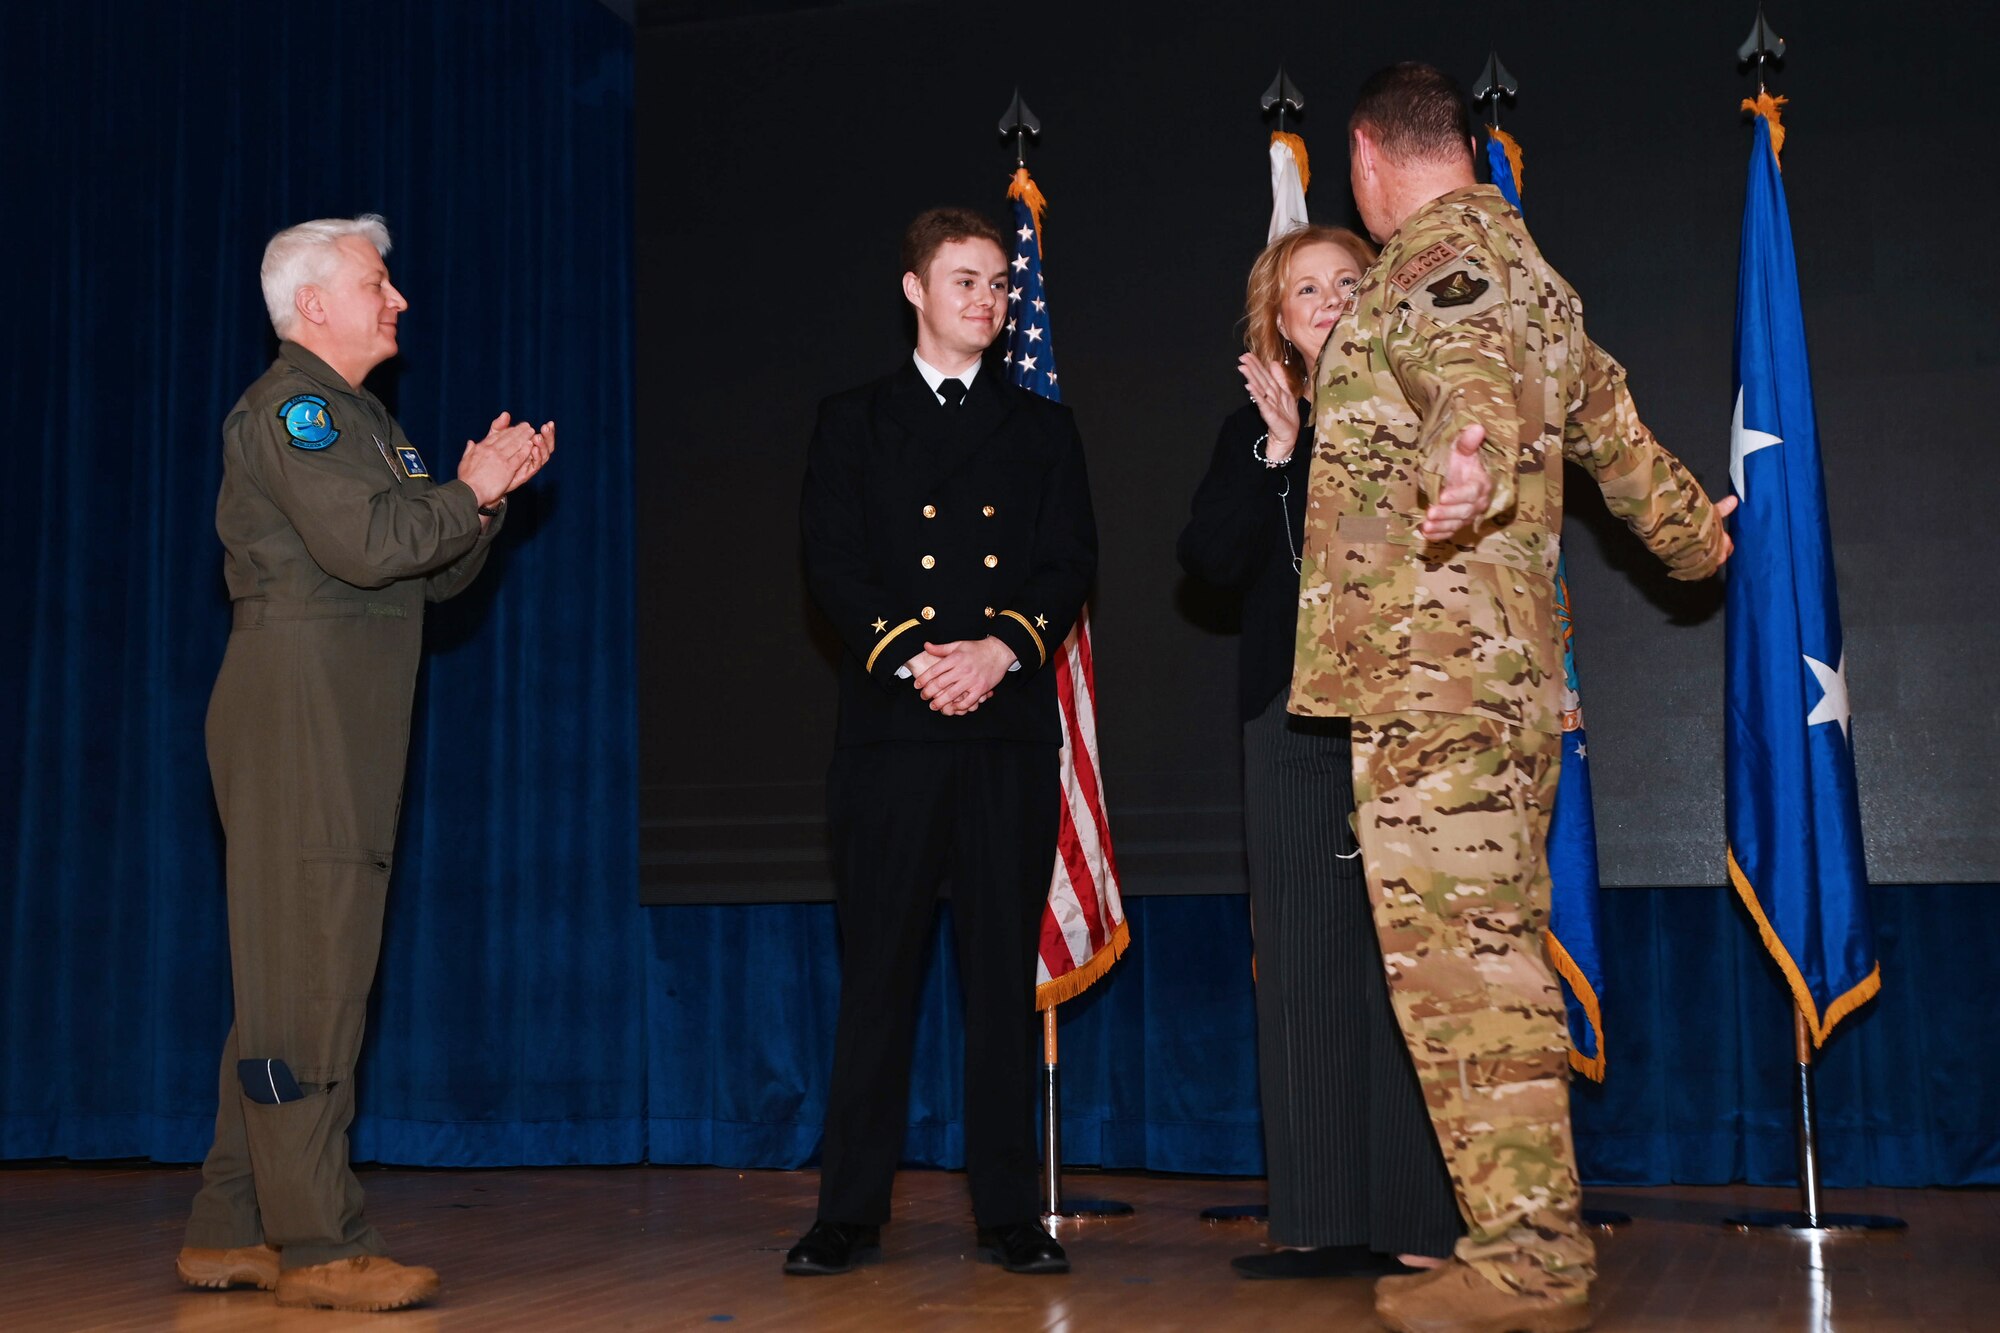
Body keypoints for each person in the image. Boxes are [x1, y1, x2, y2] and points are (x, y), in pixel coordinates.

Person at [1290, 66, 1737, 1333]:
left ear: (1367, 153)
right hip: (1503, 686)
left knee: (1464, 976)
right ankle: (1509, 1229)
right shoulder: (1536, 277)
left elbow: (1467, 386)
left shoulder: (1442, 271)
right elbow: (1614, 435)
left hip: (1438, 690)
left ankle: (1533, 1258)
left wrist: (1463, 469)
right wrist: (1692, 543)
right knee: (1482, 964)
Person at [175, 214, 552, 1312]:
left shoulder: (363, 420)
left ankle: (227, 1223)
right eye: (374, 282)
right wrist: (469, 490)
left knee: (293, 970)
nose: (397, 300)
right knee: (309, 975)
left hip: (343, 714)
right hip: (297, 707)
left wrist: (486, 499)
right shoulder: (292, 411)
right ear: (313, 306)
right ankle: (318, 1240)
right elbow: (367, 545)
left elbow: (426, 576)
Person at [787, 206, 1096, 1279]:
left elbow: (1066, 567)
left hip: (1003, 733)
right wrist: (919, 655)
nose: (987, 300)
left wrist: (998, 653)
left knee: (998, 979)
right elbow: (831, 565)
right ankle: (847, 1212)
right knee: (876, 976)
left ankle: (1010, 1212)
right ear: (913, 290)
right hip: (889, 732)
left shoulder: (1041, 430)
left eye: (999, 285)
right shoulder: (851, 421)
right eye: (964, 281)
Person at [1178, 224, 1464, 1281]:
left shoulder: (1425, 414)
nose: (1330, 298)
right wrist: (1280, 453)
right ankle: (1316, 1216)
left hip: (1406, 719)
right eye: (1306, 288)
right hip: (1289, 725)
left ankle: (1417, 1223)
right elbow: (1204, 564)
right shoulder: (1247, 435)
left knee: (1407, 971)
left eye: (1349, 281)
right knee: (1300, 967)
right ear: (1276, 321)